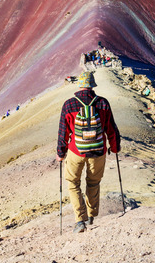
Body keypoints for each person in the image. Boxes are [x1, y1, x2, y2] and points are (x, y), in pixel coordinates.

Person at [56, 71, 120, 233]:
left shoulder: (69, 104)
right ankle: (91, 215)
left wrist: (60, 152)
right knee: (93, 183)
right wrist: (115, 147)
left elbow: (63, 132)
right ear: (92, 86)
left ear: (80, 85)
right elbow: (111, 129)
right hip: (98, 152)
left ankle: (80, 221)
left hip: (76, 152)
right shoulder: (103, 103)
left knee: (72, 183)